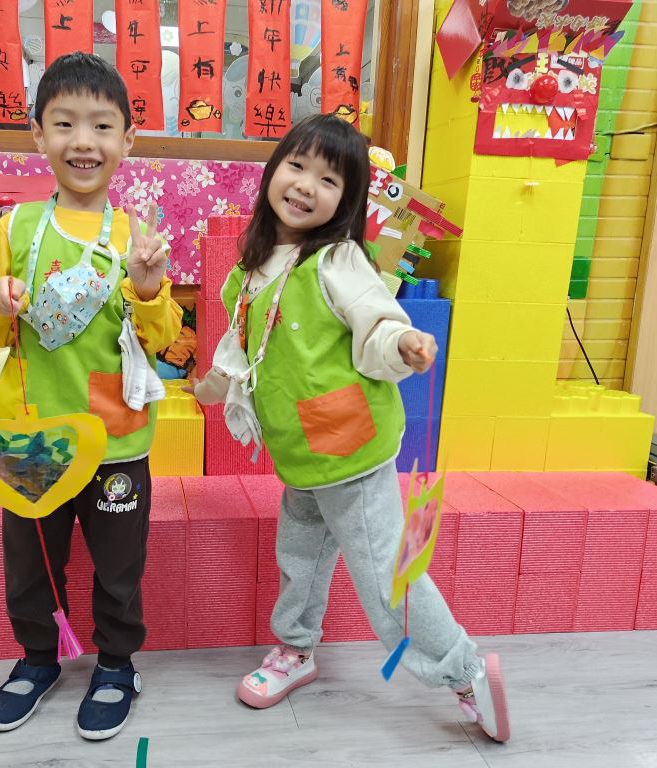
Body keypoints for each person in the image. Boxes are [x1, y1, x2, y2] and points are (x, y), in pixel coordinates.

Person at [186, 114, 510, 742]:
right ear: (273, 170)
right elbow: (240, 348)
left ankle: (464, 670)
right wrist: (210, 388)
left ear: (348, 200)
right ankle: (295, 650)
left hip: (349, 449)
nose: (306, 185)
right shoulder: (250, 269)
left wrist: (402, 344)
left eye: (329, 179)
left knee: (386, 573)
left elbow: (376, 320)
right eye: (297, 166)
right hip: (300, 451)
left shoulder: (337, 259)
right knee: (300, 556)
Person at [0, 52, 182, 741]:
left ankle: (117, 665)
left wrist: (147, 289)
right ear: (38, 134)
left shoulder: (135, 233)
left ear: (127, 139)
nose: (82, 141)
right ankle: (38, 659)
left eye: (101, 125)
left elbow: (163, 336)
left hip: (116, 436)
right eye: (64, 123)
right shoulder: (17, 227)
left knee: (119, 565)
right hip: (30, 432)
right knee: (31, 562)